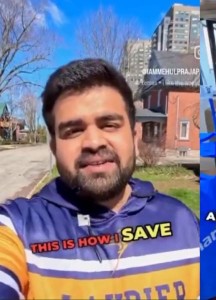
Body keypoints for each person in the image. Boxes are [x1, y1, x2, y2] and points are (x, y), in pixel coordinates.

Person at [0, 59, 199, 299]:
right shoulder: (20, 229)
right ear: (54, 147)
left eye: (109, 124)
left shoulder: (185, 222)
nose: (94, 142)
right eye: (73, 130)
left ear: (135, 137)